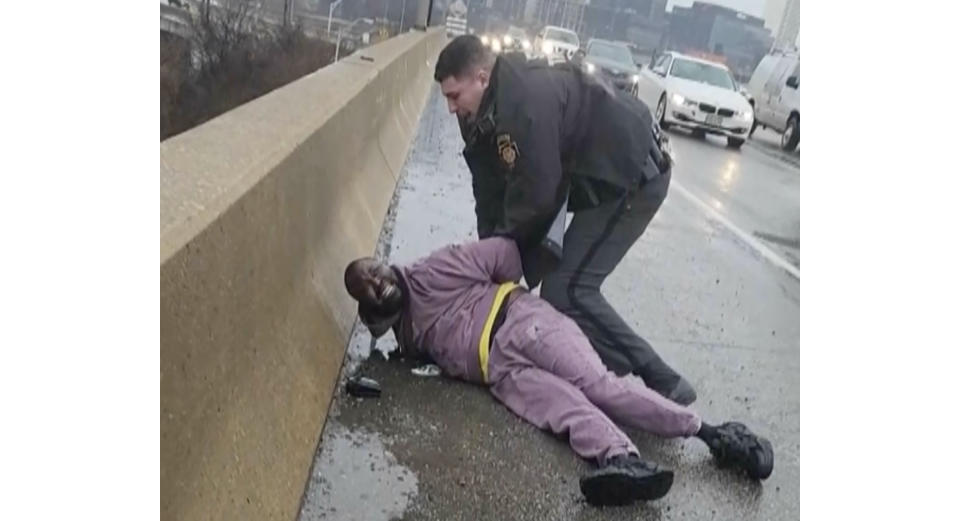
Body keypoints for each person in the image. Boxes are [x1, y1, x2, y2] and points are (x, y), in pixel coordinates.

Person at [343, 237, 773, 506]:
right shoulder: (403, 329)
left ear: (387, 264)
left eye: (377, 272)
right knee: (566, 412)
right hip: (501, 374)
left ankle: (716, 435)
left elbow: (505, 254)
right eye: (370, 287)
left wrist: (503, 295)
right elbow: (385, 326)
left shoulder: (431, 270)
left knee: (599, 387)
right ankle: (624, 461)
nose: (379, 283)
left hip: (520, 324)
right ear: (367, 304)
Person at [433, 34, 697, 406]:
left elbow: (537, 195)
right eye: (446, 97)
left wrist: (503, 264)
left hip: (634, 174)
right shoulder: (479, 112)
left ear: (481, 77)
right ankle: (592, 372)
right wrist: (485, 261)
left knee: (568, 287)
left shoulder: (527, 102)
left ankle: (662, 379)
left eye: (454, 96)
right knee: (557, 290)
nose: (450, 108)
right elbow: (489, 192)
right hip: (594, 177)